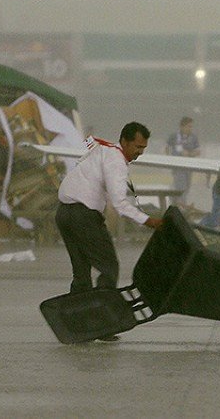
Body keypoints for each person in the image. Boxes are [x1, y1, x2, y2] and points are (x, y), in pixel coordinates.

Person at [56, 122, 163, 341]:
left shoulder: (102, 150)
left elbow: (84, 152)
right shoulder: (116, 160)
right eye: (137, 146)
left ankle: (77, 324)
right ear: (124, 141)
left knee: (81, 271)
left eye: (143, 148)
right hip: (83, 216)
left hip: (64, 214)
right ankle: (102, 324)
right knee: (109, 266)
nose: (140, 153)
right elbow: (120, 203)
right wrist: (149, 221)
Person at [164, 116, 200, 205]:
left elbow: (198, 151)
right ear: (182, 126)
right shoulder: (174, 136)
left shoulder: (193, 137)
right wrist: (169, 158)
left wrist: (191, 154)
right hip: (178, 167)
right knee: (181, 186)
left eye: (191, 126)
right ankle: (182, 205)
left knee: (187, 187)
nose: (190, 128)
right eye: (189, 126)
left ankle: (174, 201)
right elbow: (166, 147)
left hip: (189, 167)